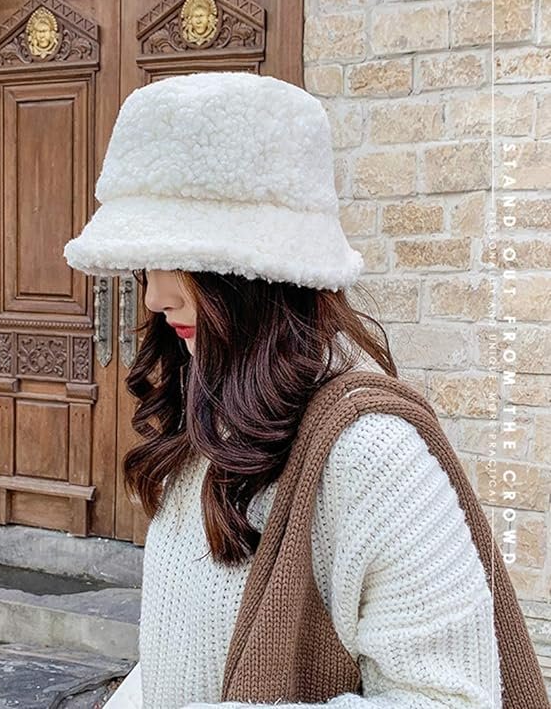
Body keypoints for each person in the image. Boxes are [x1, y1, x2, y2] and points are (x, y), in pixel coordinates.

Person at [64, 72, 503, 709]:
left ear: (258, 272)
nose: (155, 297)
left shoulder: (371, 458)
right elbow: (178, 656)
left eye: (181, 261)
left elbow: (451, 700)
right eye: (146, 264)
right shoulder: (205, 419)